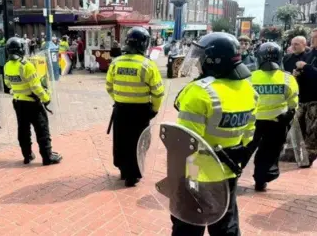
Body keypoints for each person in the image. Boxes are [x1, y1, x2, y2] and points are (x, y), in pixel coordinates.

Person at [173, 32, 258, 235]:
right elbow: (248, 136)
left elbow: (186, 144)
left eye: (202, 57)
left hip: (196, 174)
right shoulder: (248, 89)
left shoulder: (199, 92)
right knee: (226, 227)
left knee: (188, 228)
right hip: (228, 172)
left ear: (213, 60)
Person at [105, 27, 165, 187]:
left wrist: (119, 100)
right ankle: (134, 174)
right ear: (144, 44)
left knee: (121, 141)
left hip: (120, 110)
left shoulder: (116, 62)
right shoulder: (148, 65)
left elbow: (109, 87)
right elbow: (158, 93)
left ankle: (124, 171)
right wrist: (154, 109)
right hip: (141, 112)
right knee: (139, 142)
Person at [244, 42, 298, 191]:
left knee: (244, 150)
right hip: (277, 122)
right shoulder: (288, 79)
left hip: (252, 122)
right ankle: (261, 181)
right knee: (268, 153)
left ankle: (231, 179)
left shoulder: (249, 77)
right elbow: (293, 103)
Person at [4, 37, 63, 166]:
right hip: (32, 103)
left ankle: (27, 155)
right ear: (22, 49)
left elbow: (8, 83)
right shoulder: (27, 66)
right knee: (42, 130)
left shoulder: (7, 65)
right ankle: (47, 157)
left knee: (23, 130)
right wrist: (46, 98)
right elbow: (36, 87)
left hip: (18, 102)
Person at [293, 29, 317, 167]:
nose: (312, 40)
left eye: (315, 37)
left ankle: (309, 157)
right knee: (297, 127)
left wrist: (306, 67)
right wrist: (297, 73)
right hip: (303, 98)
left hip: (315, 100)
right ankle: (295, 155)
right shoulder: (309, 54)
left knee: (313, 132)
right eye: (312, 37)